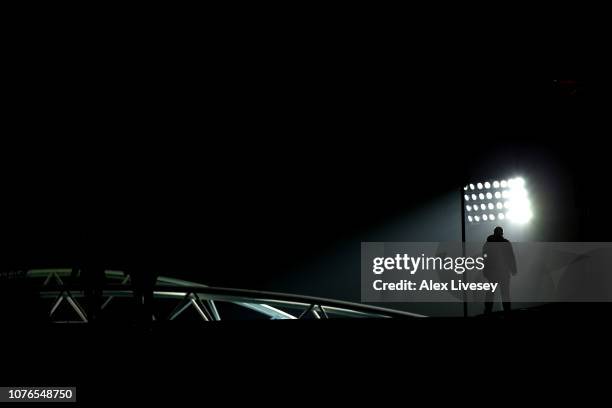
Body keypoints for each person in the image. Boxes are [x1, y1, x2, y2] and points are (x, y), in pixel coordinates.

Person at [482, 226, 517, 315]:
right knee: (504, 293)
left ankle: (488, 311)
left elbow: (484, 257)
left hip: (493, 272)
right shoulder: (505, 243)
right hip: (503, 272)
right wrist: (513, 269)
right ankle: (506, 311)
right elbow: (511, 257)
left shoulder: (489, 243)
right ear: (502, 233)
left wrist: (486, 269)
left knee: (491, 292)